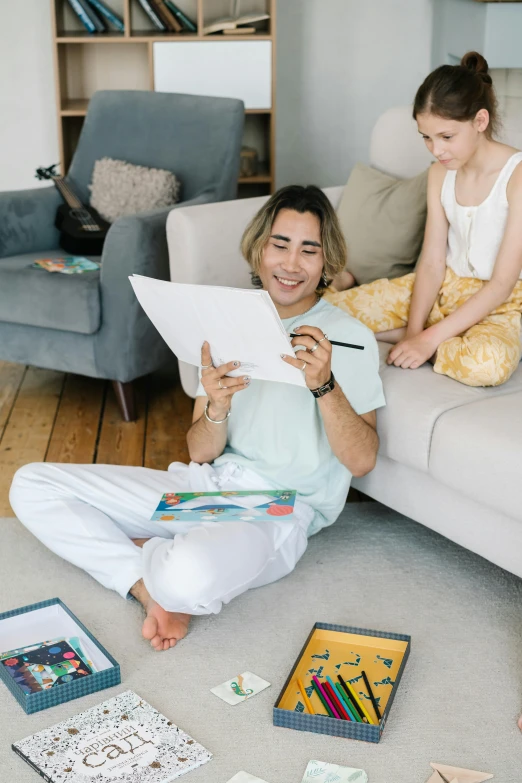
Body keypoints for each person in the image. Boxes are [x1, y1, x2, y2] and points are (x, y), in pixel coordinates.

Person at [10, 185, 385, 652]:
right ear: (259, 250)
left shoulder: (350, 338)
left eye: (308, 250)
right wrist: (216, 406)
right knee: (31, 484)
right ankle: (147, 588)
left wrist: (324, 387)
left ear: (326, 261)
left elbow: (363, 460)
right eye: (279, 245)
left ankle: (157, 552)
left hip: (278, 511)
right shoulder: (227, 317)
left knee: (188, 575)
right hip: (206, 491)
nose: (291, 264)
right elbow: (200, 451)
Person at [325, 51, 522, 388]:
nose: (437, 150)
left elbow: (502, 283)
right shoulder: (438, 175)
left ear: (480, 121)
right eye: (427, 138)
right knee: (322, 317)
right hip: (442, 287)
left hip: (500, 303)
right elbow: (431, 263)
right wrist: (414, 334)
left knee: (486, 366)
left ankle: (414, 333)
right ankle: (408, 327)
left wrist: (427, 342)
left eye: (446, 137)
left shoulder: (516, 175)